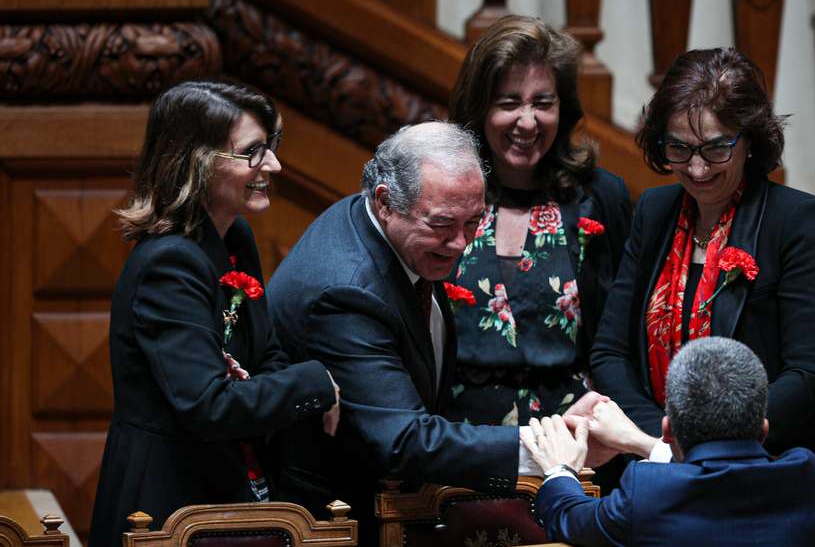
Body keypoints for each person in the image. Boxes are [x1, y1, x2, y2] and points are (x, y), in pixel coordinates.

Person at [266, 121, 606, 545]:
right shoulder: (347, 289)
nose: (461, 242)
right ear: (385, 201)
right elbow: (404, 439)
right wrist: (547, 444)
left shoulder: (378, 224)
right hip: (340, 516)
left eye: (475, 221)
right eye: (443, 224)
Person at [588, 47, 815, 513]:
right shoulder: (655, 212)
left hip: (773, 470)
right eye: (678, 147)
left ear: (751, 139)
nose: (696, 169)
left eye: (716, 147)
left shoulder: (797, 220)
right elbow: (610, 351)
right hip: (660, 466)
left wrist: (710, 443)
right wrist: (658, 440)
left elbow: (809, 375)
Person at [89, 80, 340, 545]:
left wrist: (284, 381)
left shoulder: (234, 238)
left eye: (272, 146)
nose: (274, 165)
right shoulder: (168, 262)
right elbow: (208, 405)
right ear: (197, 163)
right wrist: (314, 382)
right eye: (253, 151)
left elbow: (268, 354)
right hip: (167, 506)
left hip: (229, 487)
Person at [444, 15, 631, 426]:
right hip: (462, 444)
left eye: (542, 103)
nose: (527, 122)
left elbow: (619, 336)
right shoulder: (446, 193)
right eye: (509, 102)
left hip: (578, 438)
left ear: (563, 110)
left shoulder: (599, 196)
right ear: (480, 108)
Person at [525, 337, 815, 546]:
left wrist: (559, 470)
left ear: (667, 430)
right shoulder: (808, 478)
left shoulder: (646, 493)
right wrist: (637, 441)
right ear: (763, 430)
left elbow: (568, 517)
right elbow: (719, 475)